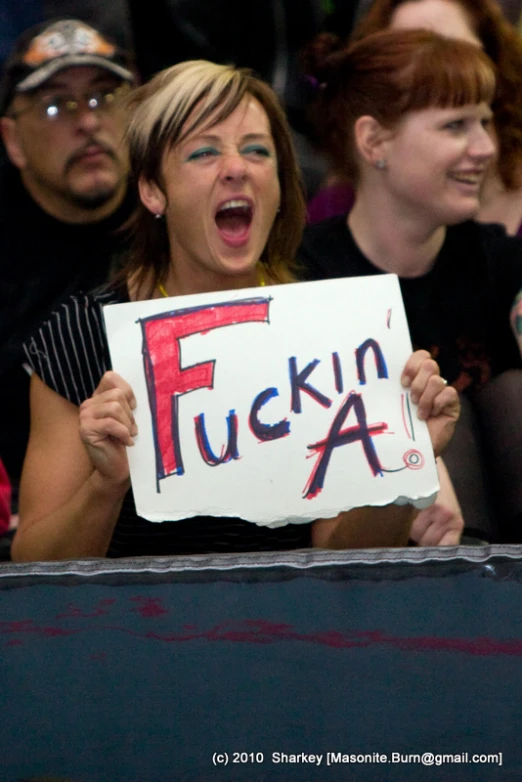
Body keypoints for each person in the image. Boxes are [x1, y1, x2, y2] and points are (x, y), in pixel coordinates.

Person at [11, 59, 459, 561]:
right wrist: (106, 484)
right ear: (153, 190)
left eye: (256, 151)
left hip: (290, 626)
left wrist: (405, 463)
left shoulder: (333, 326)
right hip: (133, 629)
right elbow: (34, 569)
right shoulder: (82, 336)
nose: (236, 168)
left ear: (280, 185)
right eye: (204, 152)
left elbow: (345, 561)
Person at [299, 28, 522, 541]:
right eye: (456, 126)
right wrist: (414, 459)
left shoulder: (499, 260)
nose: (485, 147)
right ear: (374, 141)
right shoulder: (307, 278)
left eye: (485, 121)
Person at [0, 18, 136, 489]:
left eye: (105, 97)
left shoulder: (179, 215)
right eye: (57, 105)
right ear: (12, 140)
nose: (89, 121)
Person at [307, 0, 522, 235]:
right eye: (407, 52)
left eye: (457, 51)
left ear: (494, 60)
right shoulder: (337, 205)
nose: (437, 69)